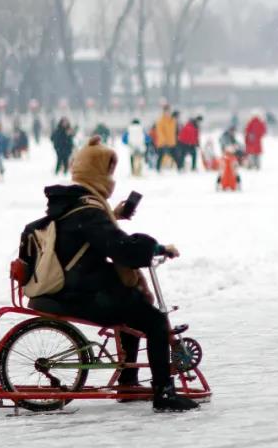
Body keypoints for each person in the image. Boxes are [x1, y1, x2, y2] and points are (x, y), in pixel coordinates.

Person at [28, 136, 196, 412]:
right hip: (79, 294)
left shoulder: (73, 202)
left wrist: (113, 217)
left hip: (71, 287)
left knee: (132, 307)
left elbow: (95, 236)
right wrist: (152, 247)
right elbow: (118, 247)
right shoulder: (88, 209)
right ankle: (164, 393)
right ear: (98, 173)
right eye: (108, 171)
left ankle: (128, 381)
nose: (111, 178)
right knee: (154, 321)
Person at [154, 107, 178, 171]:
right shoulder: (160, 121)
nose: (168, 113)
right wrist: (163, 140)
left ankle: (179, 167)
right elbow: (159, 132)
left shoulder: (172, 120)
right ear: (164, 112)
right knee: (161, 156)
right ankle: (158, 169)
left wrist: (174, 140)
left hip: (171, 142)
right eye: (166, 112)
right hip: (162, 143)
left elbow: (173, 132)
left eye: (168, 112)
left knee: (175, 155)